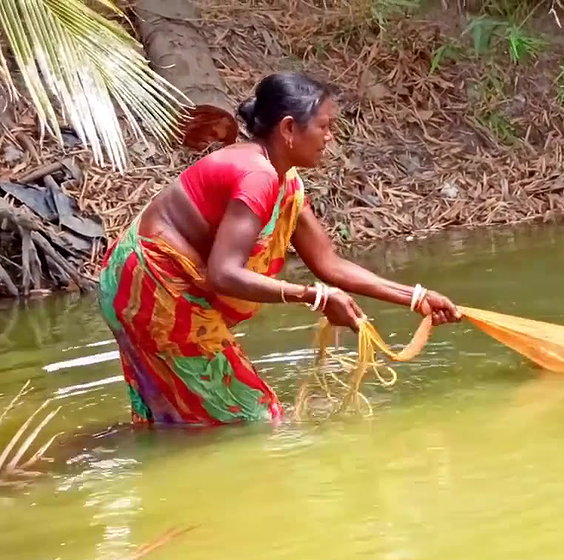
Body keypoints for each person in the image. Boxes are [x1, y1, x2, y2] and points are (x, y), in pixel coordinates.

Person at [96, 72, 461, 427]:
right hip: (153, 288)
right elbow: (224, 273)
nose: (330, 138)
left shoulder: (284, 181)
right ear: (288, 129)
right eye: (324, 126)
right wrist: (313, 298)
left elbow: (328, 262)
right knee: (254, 417)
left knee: (184, 413)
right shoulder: (258, 176)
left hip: (154, 284)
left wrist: (416, 298)